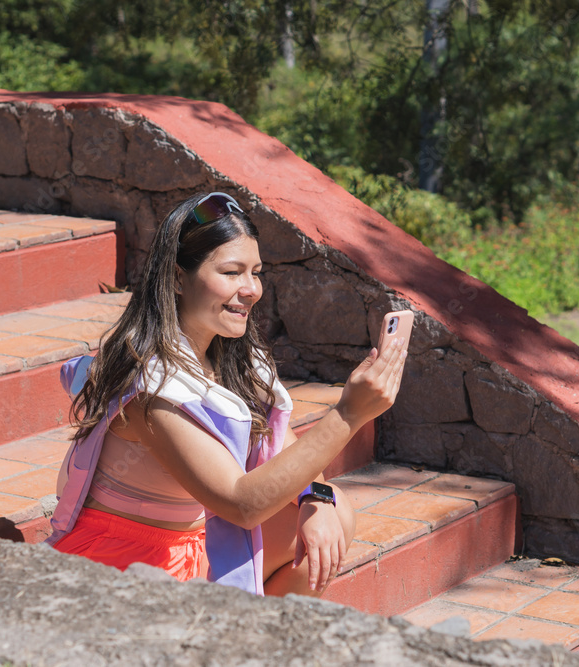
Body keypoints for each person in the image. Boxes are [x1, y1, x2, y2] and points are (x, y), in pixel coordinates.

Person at [45, 192, 408, 597]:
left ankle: (254, 643)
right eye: (232, 272)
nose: (251, 289)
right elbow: (241, 504)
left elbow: (282, 447)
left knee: (332, 512)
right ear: (178, 278)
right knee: (308, 524)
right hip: (131, 562)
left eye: (256, 272)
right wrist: (347, 415)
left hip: (192, 540)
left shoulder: (228, 356)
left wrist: (316, 499)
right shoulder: (153, 387)